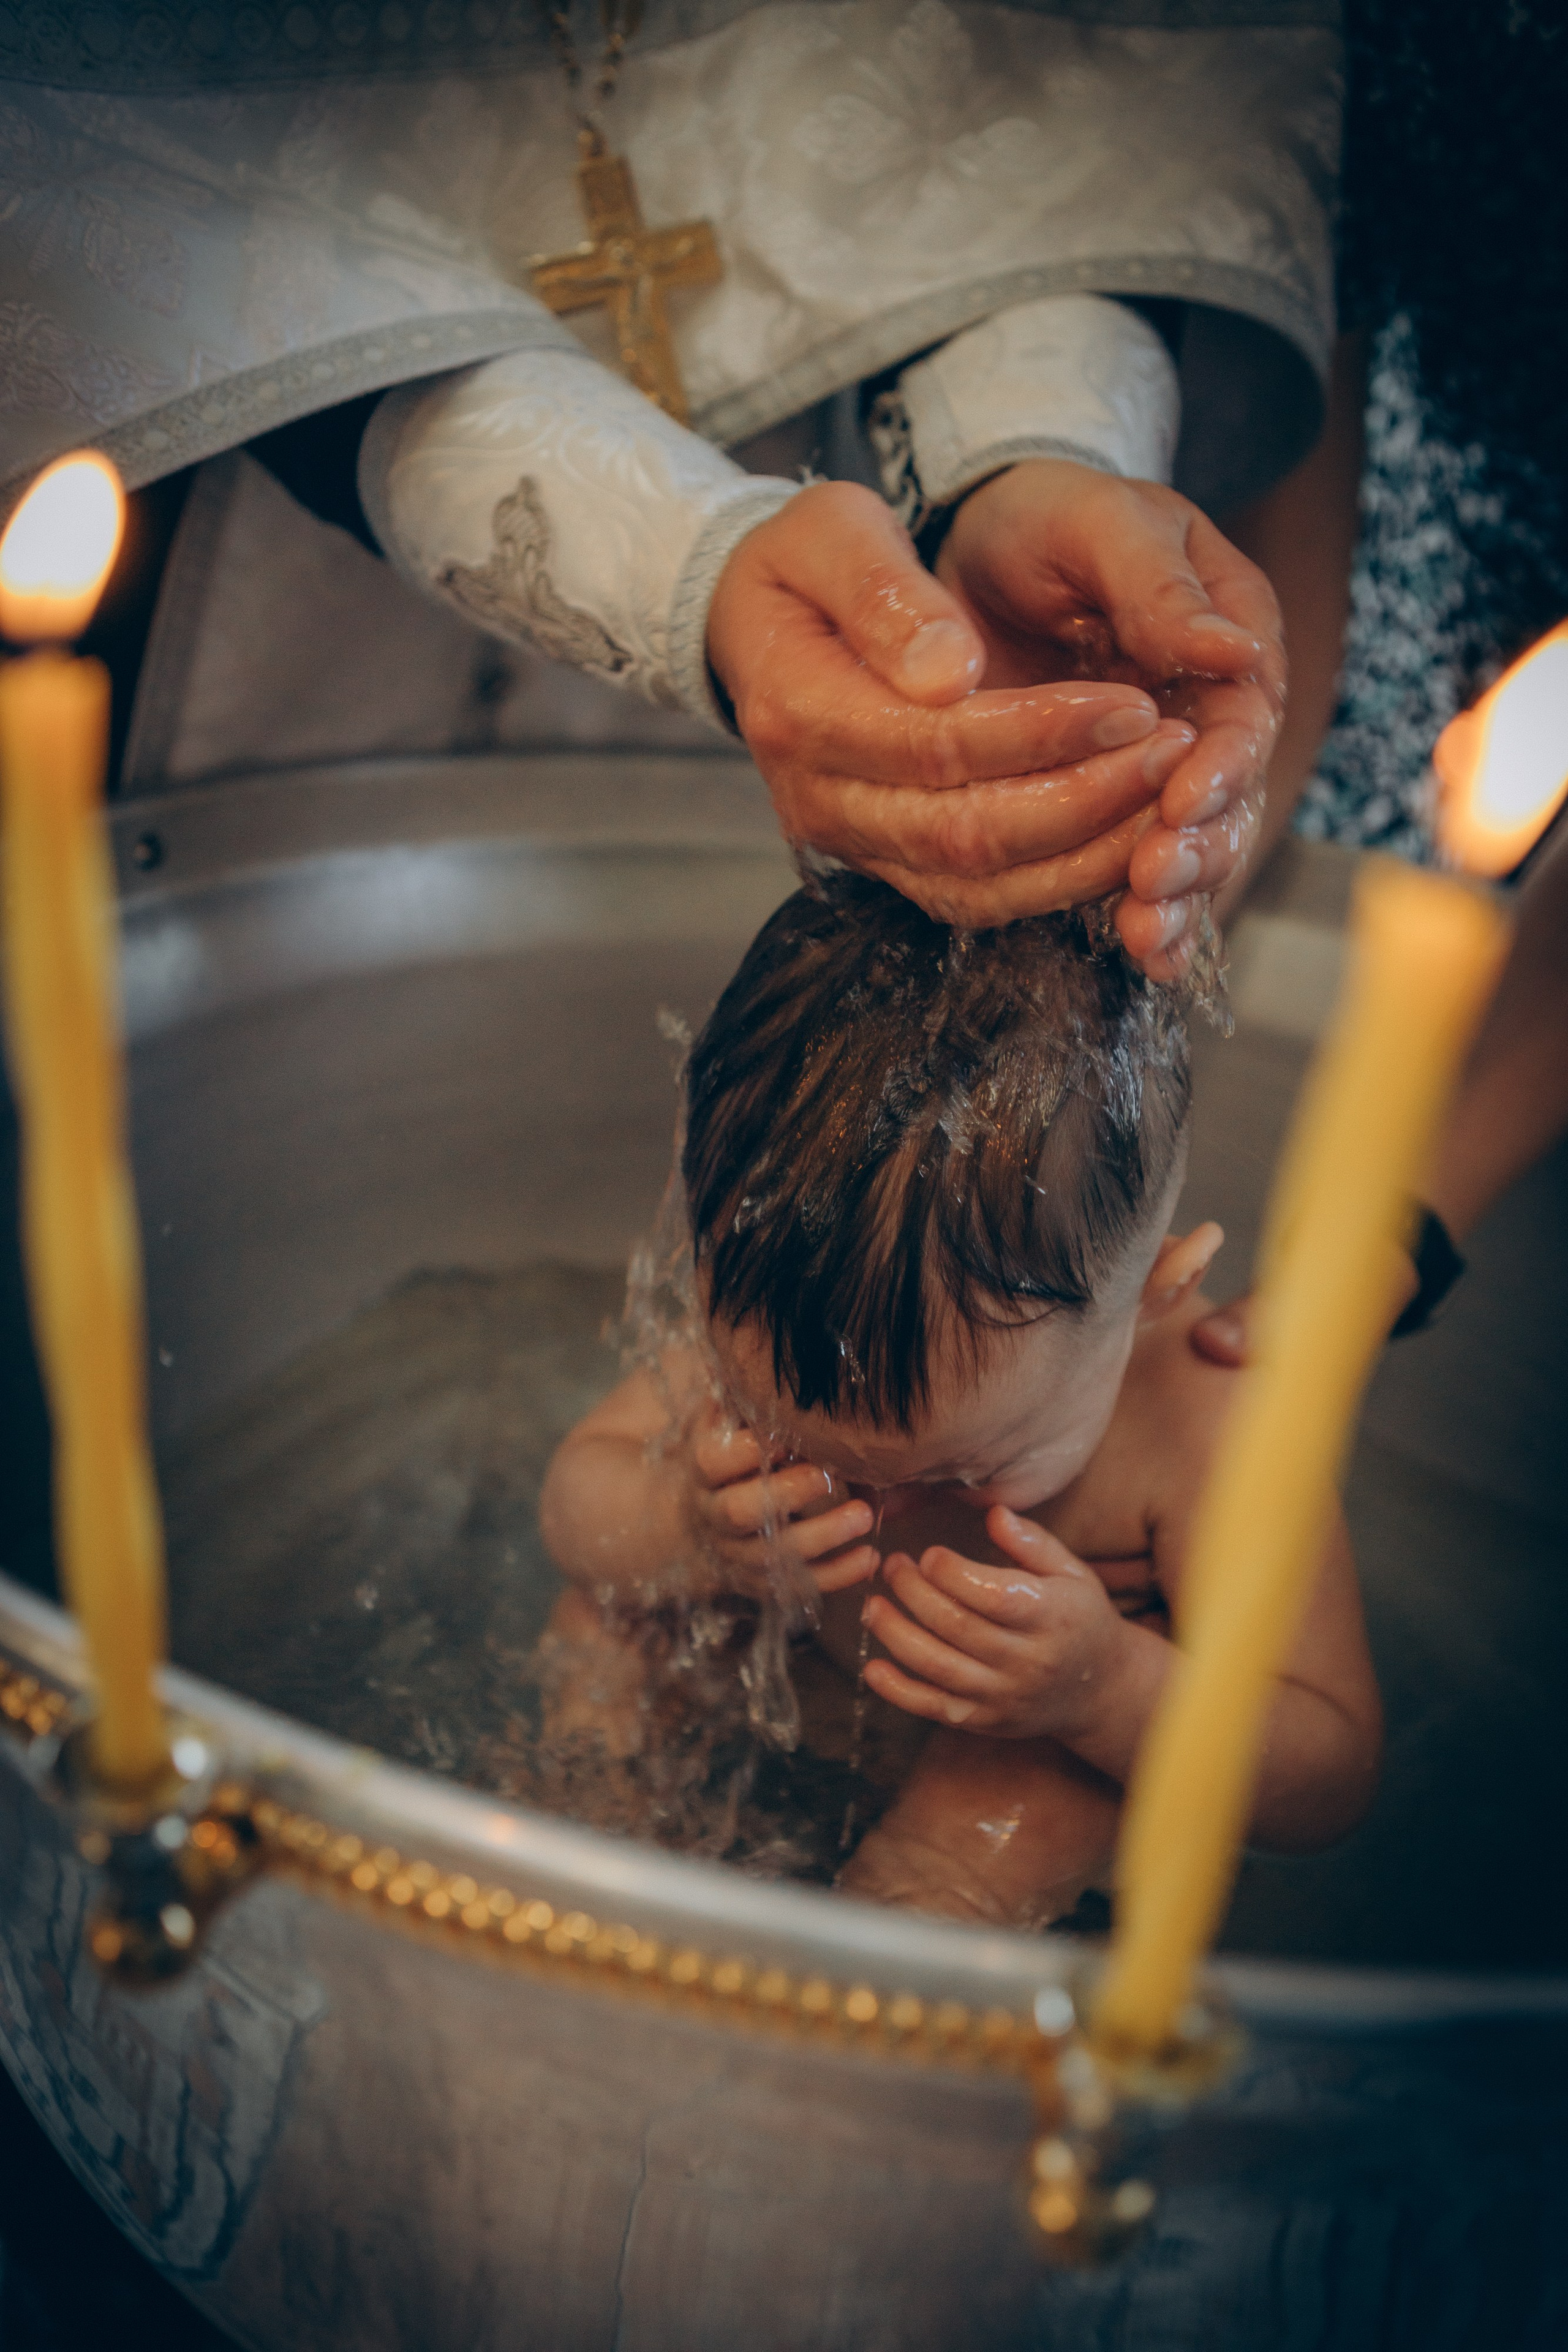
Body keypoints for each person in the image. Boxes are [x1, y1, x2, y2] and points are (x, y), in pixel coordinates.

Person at [0, 1, 1332, 959]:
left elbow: (1076, 82)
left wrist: (1032, 441)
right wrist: (677, 564)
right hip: (296, 557)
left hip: (880, 491)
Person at [539, 874, 1382, 1924]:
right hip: (808, 1672)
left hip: (1022, 1746)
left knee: (1030, 1795)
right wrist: (688, 1533)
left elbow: (1330, 1770)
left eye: (961, 1469)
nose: (874, 1505)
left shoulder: (1208, 1422)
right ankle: (554, 1905)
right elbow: (575, 1506)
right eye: (792, 1438)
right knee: (615, 1620)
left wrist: (1108, 1688)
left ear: (1154, 1297)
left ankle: (860, 2009)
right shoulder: (778, 1305)